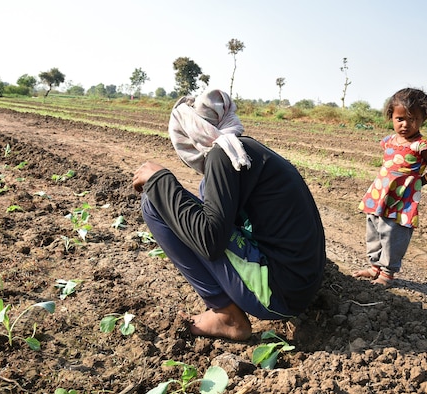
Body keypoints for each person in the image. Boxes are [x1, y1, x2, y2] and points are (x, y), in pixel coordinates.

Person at [132, 89, 326, 341]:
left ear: (192, 131)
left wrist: (161, 181)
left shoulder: (223, 155)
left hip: (278, 294)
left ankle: (226, 315)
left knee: (153, 201)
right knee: (202, 194)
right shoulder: (242, 150)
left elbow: (210, 241)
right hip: (299, 285)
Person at [353, 88, 427, 287]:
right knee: (374, 228)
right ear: (391, 117)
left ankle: (387, 272)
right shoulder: (388, 141)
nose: (405, 124)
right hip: (380, 193)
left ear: (424, 118)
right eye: (400, 119)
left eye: (412, 119)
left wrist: (421, 181)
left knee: (393, 233)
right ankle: (374, 267)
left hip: (402, 198)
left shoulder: (423, 145)